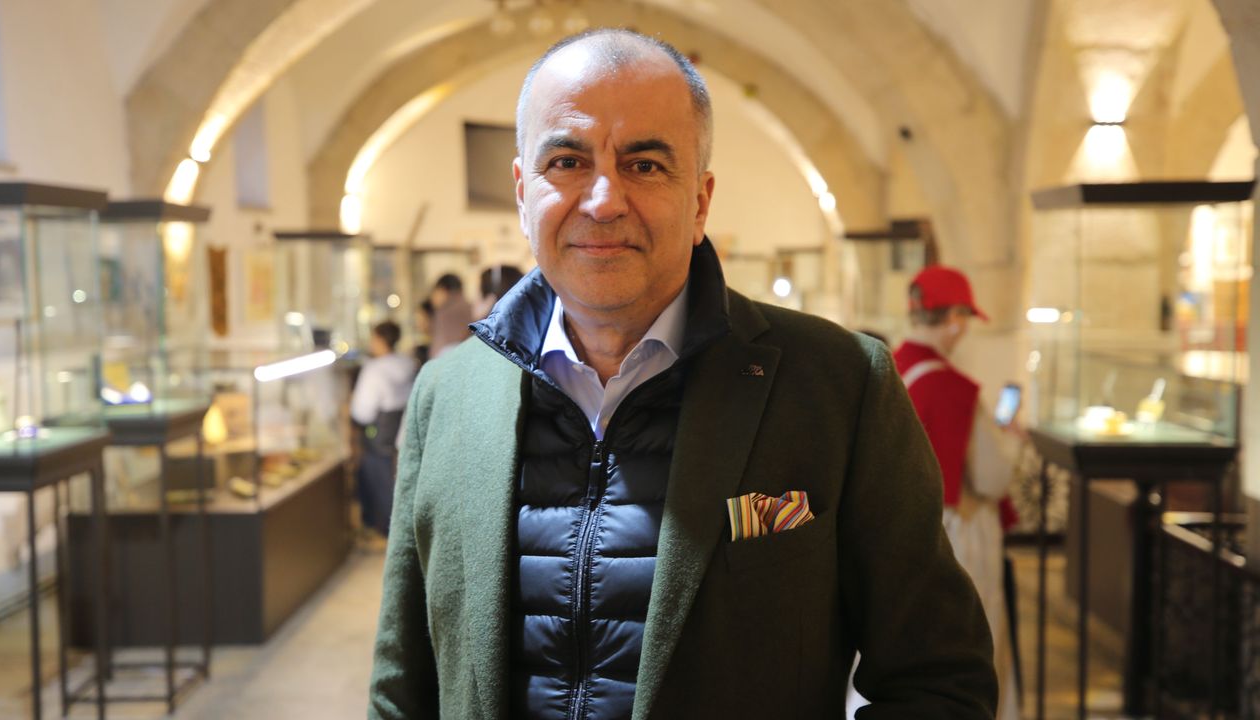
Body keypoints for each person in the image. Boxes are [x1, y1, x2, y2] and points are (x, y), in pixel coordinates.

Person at [369, 29, 996, 718]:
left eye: (644, 165)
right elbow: (404, 687)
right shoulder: (447, 396)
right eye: (568, 161)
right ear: (523, 193)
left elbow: (940, 681)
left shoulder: (838, 386)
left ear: (700, 201)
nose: (603, 200)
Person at [892, 265, 1022, 720]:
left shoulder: (890, 366)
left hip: (899, 526)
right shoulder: (952, 387)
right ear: (953, 318)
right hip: (958, 530)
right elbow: (991, 477)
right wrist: (1011, 442)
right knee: (967, 641)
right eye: (965, 317)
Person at [350, 320, 416, 537]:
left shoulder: (374, 370)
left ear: (379, 340)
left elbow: (362, 412)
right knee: (397, 484)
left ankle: (385, 533)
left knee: (379, 487)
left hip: (377, 436)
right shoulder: (407, 364)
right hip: (401, 431)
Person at [428, 273, 472, 359]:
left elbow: (439, 347)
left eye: (435, 292)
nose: (432, 298)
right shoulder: (468, 306)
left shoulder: (445, 311)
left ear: (443, 290)